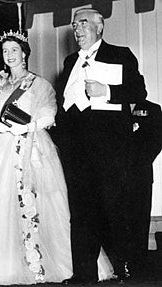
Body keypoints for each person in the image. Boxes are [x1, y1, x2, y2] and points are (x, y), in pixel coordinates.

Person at [0, 30, 73, 285]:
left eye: (14, 50)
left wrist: (28, 127)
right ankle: (6, 265)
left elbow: (50, 114)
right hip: (4, 147)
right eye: (5, 51)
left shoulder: (39, 84)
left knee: (42, 202)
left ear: (24, 54)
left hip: (34, 146)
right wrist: (2, 127)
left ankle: (49, 262)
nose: (9, 55)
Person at [55, 8, 148, 284]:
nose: (77, 29)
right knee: (81, 214)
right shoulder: (70, 61)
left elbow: (138, 96)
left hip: (110, 150)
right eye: (74, 25)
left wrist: (106, 91)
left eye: (83, 23)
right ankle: (84, 273)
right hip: (77, 152)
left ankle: (126, 267)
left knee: (114, 209)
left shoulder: (120, 55)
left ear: (100, 26)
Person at [128, 100, 162, 277]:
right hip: (115, 173)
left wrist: (139, 162)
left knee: (140, 217)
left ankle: (139, 264)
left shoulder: (153, 109)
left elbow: (157, 139)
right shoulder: (110, 106)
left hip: (141, 172)